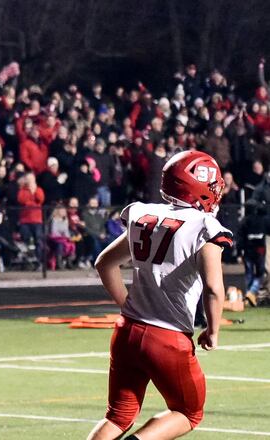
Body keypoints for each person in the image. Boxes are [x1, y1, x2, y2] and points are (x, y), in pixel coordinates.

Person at [87, 150, 232, 440]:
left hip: (127, 330)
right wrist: (213, 331)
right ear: (198, 187)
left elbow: (104, 263)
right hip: (167, 338)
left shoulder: (144, 214)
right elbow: (214, 289)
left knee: (117, 416)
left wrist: (125, 303)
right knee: (189, 412)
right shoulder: (204, 226)